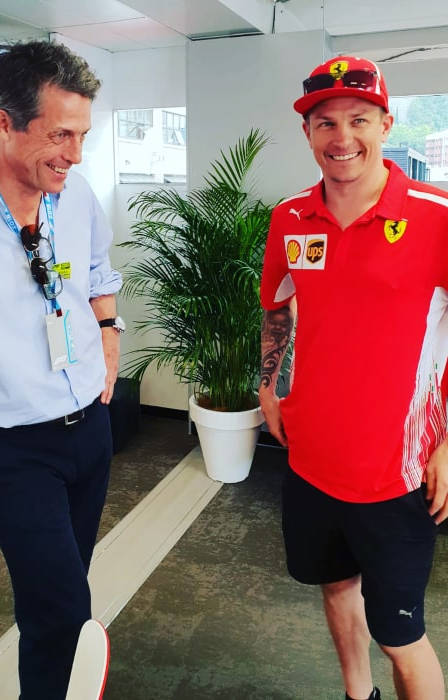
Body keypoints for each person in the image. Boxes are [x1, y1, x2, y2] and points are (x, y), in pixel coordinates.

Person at [259, 55, 448, 700]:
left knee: (402, 635)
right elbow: (278, 305)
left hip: (394, 475)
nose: (342, 138)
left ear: (386, 123)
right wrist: (269, 385)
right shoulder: (290, 218)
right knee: (336, 589)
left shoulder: (434, 215)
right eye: (325, 123)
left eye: (358, 119)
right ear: (308, 133)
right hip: (311, 461)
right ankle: (355, 694)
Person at [0, 40, 123, 699]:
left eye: (81, 135)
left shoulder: (72, 195)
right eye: (59, 135)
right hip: (9, 443)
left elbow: (98, 273)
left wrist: (108, 332)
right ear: (2, 122)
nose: (74, 155)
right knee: (59, 609)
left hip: (89, 429)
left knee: (66, 587)